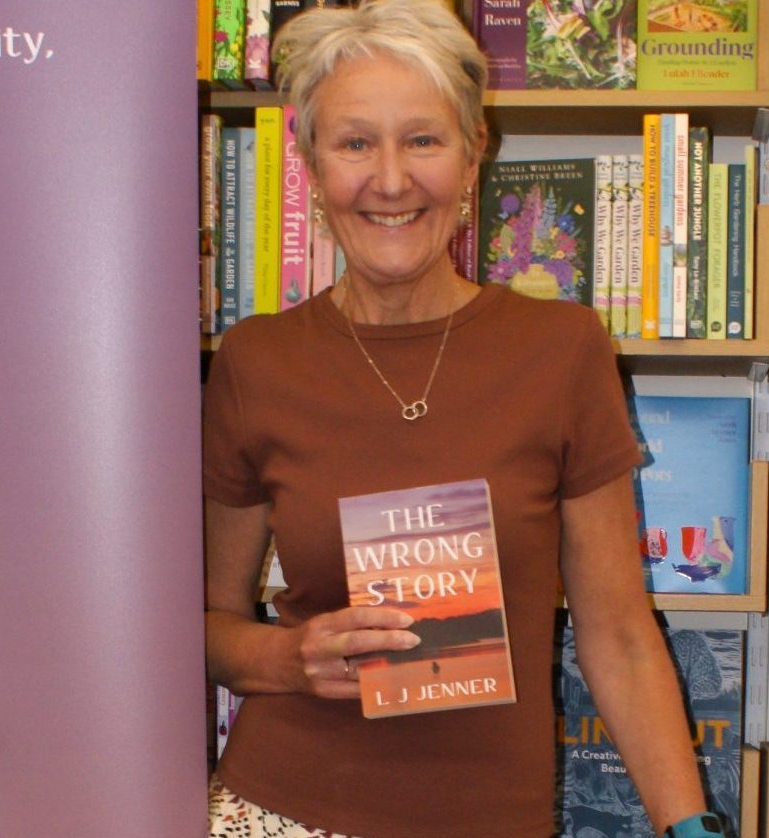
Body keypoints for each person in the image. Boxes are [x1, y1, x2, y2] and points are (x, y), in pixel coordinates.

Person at [202, 2, 724, 836]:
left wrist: (690, 827)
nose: (391, 179)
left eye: (423, 139)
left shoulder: (561, 349)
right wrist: (286, 658)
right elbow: (203, 626)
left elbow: (621, 635)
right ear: (309, 163)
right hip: (281, 810)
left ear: (475, 151)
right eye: (354, 143)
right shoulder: (255, 362)